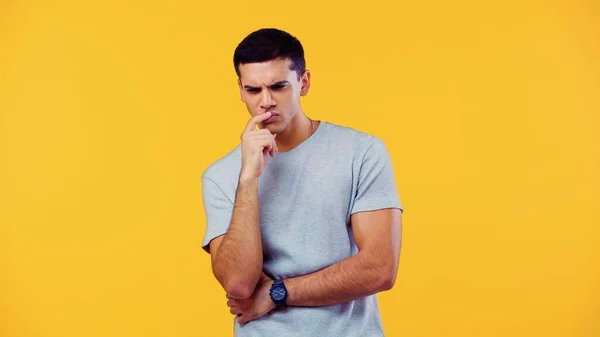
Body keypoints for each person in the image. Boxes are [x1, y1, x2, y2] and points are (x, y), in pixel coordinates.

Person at [200, 27, 403, 337]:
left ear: (303, 83)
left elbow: (379, 269)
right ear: (240, 89)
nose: (266, 101)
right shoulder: (221, 176)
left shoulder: (361, 152)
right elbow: (239, 284)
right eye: (253, 90)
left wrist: (276, 293)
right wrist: (248, 178)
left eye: (278, 86)